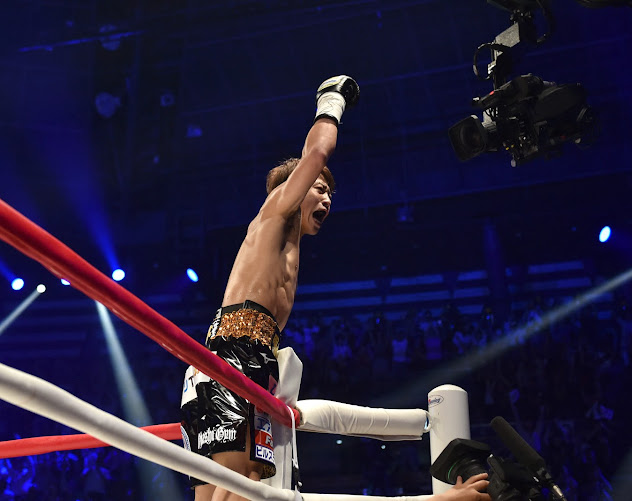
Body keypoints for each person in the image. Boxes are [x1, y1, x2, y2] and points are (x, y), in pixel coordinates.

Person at [180, 76, 490, 501]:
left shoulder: (285, 242)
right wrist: (333, 102)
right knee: (243, 483)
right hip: (235, 353)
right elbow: (319, 151)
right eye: (320, 189)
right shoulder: (274, 212)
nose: (327, 200)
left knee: (236, 488)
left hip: (238, 357)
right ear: (295, 187)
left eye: (331, 194)